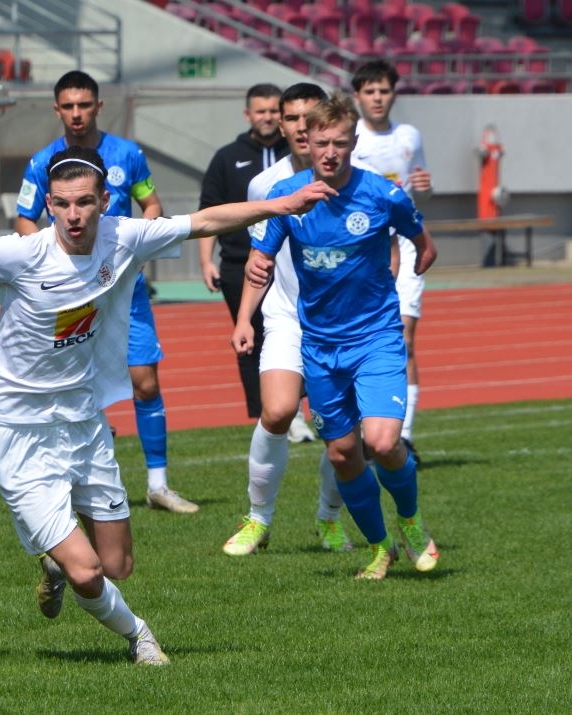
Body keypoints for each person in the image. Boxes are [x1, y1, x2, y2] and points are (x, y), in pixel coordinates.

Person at [0, 146, 332, 664]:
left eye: (84, 202)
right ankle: (139, 636)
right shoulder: (23, 252)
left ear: (105, 201)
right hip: (21, 431)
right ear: (49, 206)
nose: (73, 215)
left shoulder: (124, 235)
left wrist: (280, 205)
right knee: (89, 571)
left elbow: (205, 221)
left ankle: (55, 562)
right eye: (61, 204)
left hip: (84, 424)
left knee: (118, 565)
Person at [247, 94, 439, 580]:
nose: (329, 152)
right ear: (306, 142)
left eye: (339, 143)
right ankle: (380, 547)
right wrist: (257, 271)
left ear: (353, 143)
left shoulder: (382, 194)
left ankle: (411, 521)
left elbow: (423, 244)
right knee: (341, 453)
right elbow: (262, 256)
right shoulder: (289, 197)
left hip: (376, 338)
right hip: (319, 345)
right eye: (321, 143)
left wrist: (408, 266)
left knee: (383, 442)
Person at [14, 71, 197, 517]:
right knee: (70, 386)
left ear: (98, 106)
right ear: (57, 110)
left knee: (145, 381)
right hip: (71, 295)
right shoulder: (42, 161)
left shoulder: (127, 154)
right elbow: (24, 218)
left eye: (84, 104)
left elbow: (151, 204)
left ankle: (158, 485)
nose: (77, 113)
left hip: (124, 290)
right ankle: (67, 484)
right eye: (68, 106)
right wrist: (47, 262)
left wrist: (138, 248)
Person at [223, 83, 355, 556]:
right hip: (286, 317)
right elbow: (259, 258)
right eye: (293, 118)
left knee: (343, 433)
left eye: (309, 116)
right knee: (277, 412)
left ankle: (329, 518)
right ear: (281, 125)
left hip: (343, 323)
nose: (302, 126)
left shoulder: (354, 178)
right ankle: (258, 519)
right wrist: (245, 317)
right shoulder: (267, 185)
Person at [197, 83, 304, 437]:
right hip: (239, 263)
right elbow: (210, 211)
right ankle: (265, 414)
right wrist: (206, 261)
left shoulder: (309, 155)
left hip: (290, 264)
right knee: (250, 338)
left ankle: (294, 409)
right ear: (248, 115)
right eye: (261, 111)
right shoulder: (228, 157)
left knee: (293, 334)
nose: (268, 117)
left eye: (274, 111)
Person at [351, 59, 431, 462]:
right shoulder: (350, 137)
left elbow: (420, 187)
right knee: (361, 339)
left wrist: (426, 186)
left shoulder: (409, 135)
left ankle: (405, 435)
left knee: (404, 339)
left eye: (383, 90)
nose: (377, 98)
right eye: (370, 91)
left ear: (394, 94)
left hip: (407, 242)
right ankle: (365, 429)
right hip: (364, 247)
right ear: (357, 96)